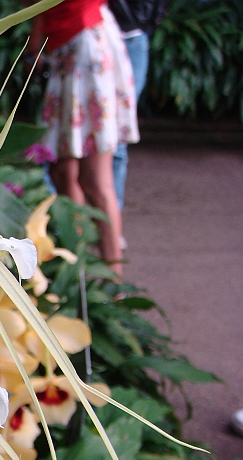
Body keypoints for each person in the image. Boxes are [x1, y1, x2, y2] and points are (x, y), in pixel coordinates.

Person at [29, 0, 139, 277]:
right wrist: (35, 44)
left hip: (84, 41)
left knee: (95, 180)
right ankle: (79, 273)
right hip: (68, 45)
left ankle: (115, 284)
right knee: (63, 171)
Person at [109, 0, 168, 211]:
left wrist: (148, 20)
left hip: (132, 36)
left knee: (118, 136)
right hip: (98, 35)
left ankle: (111, 214)